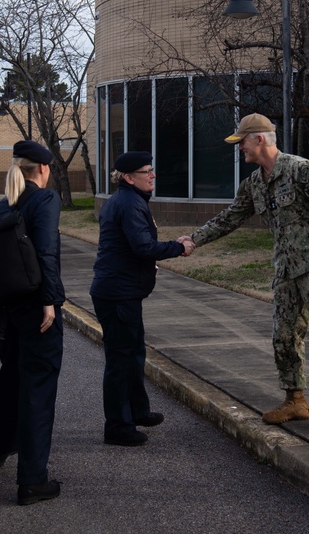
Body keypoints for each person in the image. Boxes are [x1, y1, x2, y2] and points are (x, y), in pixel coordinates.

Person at [185, 113, 309, 434]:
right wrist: (193, 239)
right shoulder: (254, 185)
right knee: (283, 336)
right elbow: (229, 218)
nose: (240, 150)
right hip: (287, 271)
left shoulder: (300, 170)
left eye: (243, 143)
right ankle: (296, 399)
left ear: (260, 139)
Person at [90, 151, 195, 447]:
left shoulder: (127, 201)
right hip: (117, 295)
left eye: (152, 170)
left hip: (124, 291)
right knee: (120, 361)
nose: (153, 175)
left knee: (134, 354)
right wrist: (178, 247)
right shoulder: (129, 203)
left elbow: (129, 248)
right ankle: (118, 427)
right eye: (147, 171)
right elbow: (142, 246)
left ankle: (138, 410)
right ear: (128, 177)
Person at [0, 140, 65, 505]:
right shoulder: (44, 200)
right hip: (36, 308)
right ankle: (33, 480)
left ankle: (2, 447)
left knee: (11, 377)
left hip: (6, 310)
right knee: (38, 387)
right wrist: (49, 301)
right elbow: (46, 252)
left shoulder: (2, 205)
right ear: (44, 169)